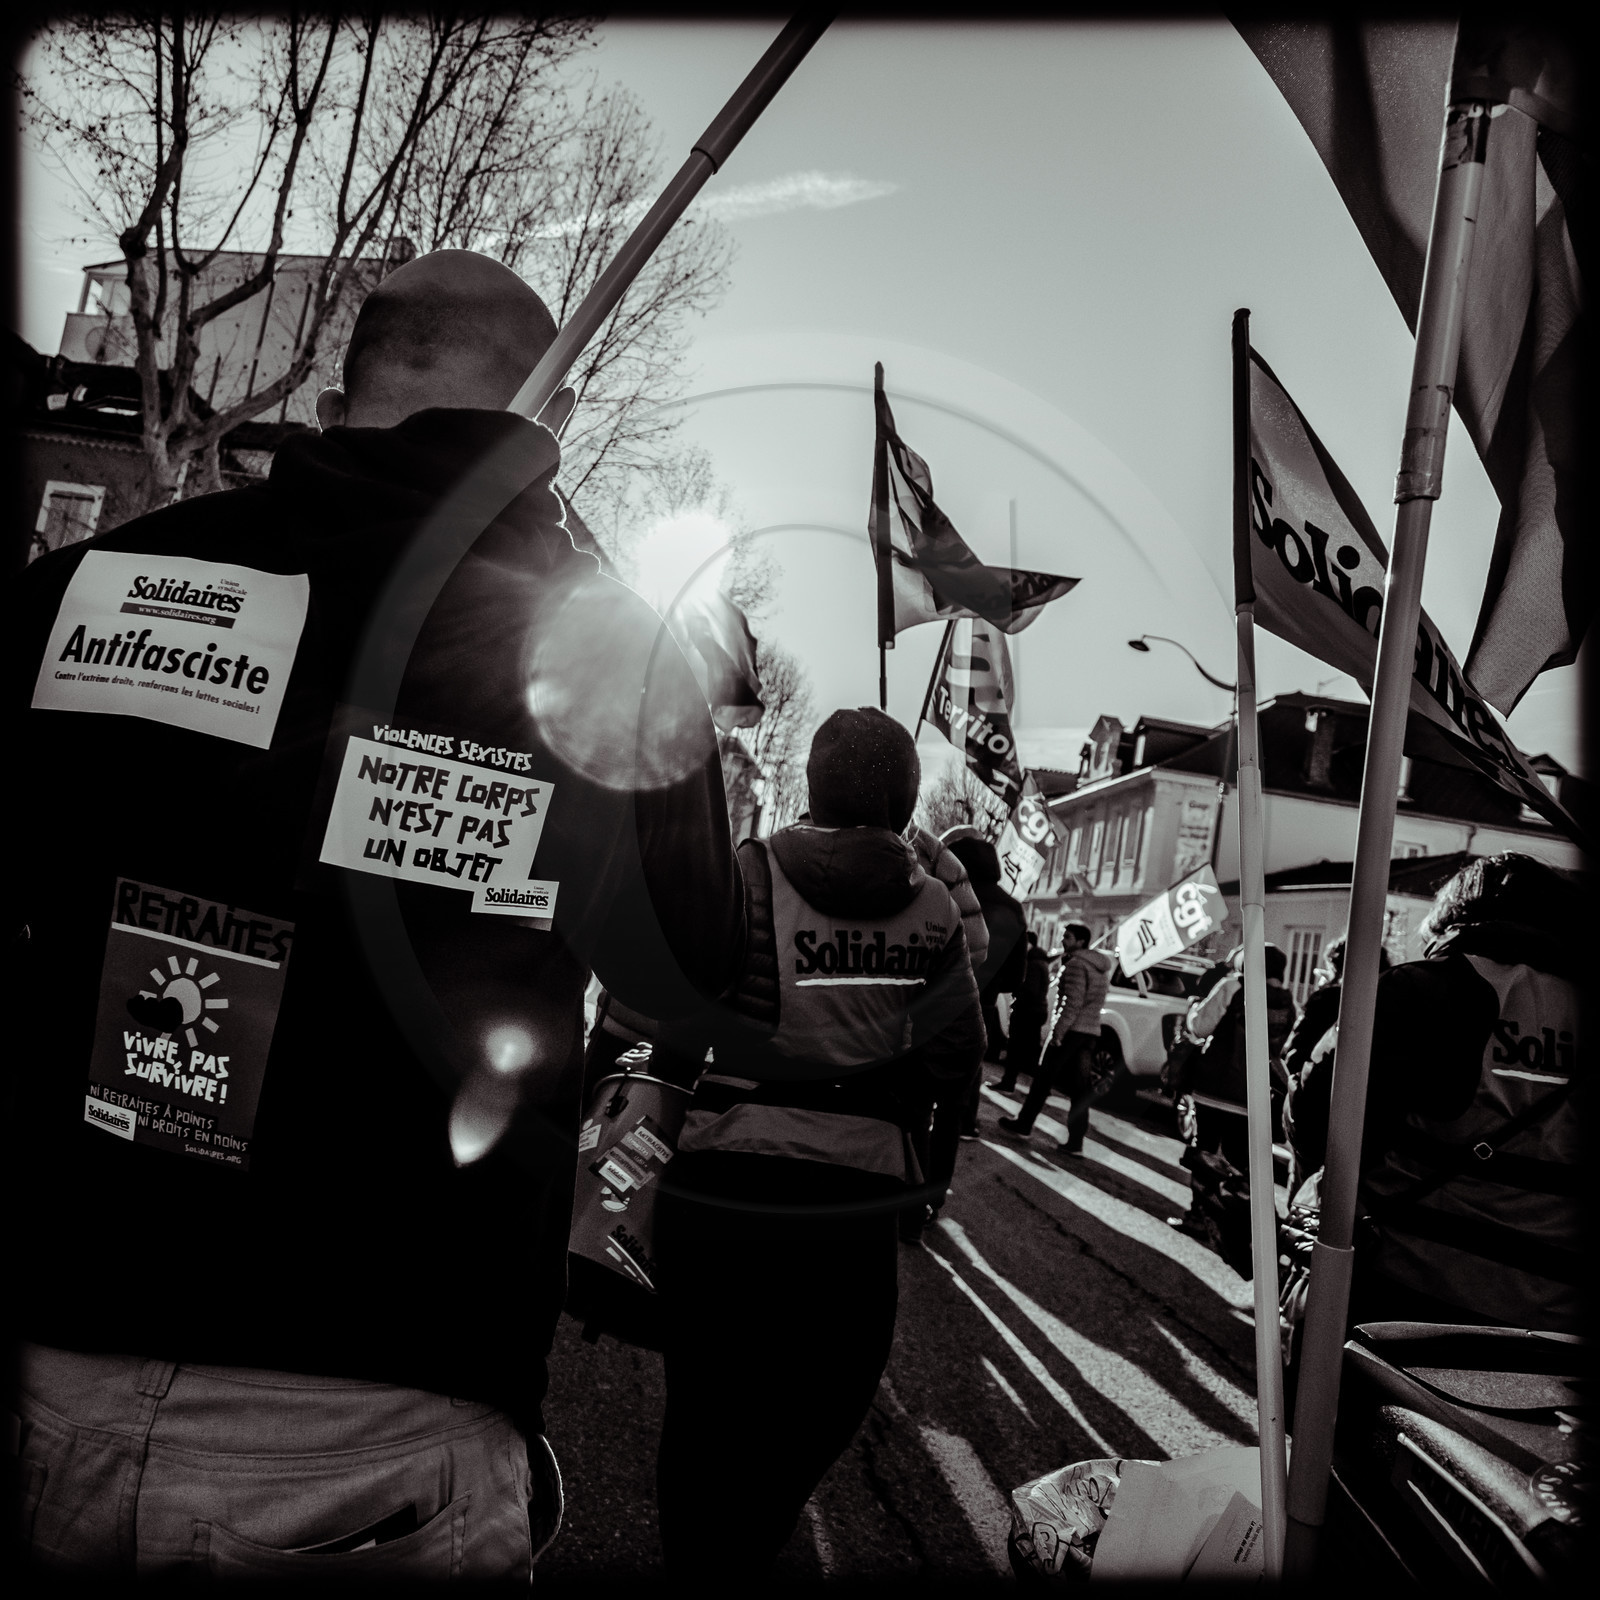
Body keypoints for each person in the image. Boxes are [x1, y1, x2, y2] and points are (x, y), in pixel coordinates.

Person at [7, 250, 743, 1579]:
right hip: (382, 1412)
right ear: (547, 432)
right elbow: (691, 971)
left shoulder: (103, 587)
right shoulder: (601, 665)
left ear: (341, 395)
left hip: (54, 1363)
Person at [651, 708, 985, 1579]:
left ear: (810, 785)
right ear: (909, 802)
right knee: (819, 1409)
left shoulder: (746, 873)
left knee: (701, 1409)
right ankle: (748, 1542)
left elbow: (675, 1027)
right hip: (850, 1212)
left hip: (718, 1187)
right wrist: (931, 1188)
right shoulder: (937, 912)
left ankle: (696, 1559)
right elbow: (958, 1064)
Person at [1288, 853, 1583, 1333]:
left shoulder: (1426, 990)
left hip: (1401, 1288)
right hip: (1552, 1323)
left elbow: (1315, 1117)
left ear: (1453, 914)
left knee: (1327, 1406)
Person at [1167, 944, 1298, 1271]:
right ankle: (1249, 1225)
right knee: (1242, 1162)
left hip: (1216, 1088)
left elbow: (1200, 1028)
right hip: (1254, 1095)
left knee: (1204, 1152)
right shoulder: (1286, 1001)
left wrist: (1194, 1006)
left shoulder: (1233, 985)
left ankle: (1200, 1217)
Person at [926, 828, 1026, 1188]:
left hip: (930, 1009)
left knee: (918, 1106)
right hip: (977, 1012)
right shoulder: (1013, 907)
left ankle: (903, 1199)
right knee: (952, 1112)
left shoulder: (938, 891)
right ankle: (933, 1197)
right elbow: (1017, 978)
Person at [1279, 934, 1389, 1195]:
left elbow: (1294, 1054)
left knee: (1305, 1196)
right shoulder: (1390, 999)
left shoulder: (1326, 999)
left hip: (1317, 1114)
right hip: (1371, 1121)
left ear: (1335, 966)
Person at [998, 922, 1113, 1154]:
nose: (1063, 940)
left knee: (1042, 1080)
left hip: (1071, 1032)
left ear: (1081, 942)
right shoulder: (1100, 967)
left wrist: (1058, 1033)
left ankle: (1024, 1124)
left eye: (1068, 937)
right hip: (1090, 1032)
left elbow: (1071, 1003)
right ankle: (1076, 1142)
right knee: (1080, 1089)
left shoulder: (1076, 965)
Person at [998, 932, 1052, 1095]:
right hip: (1036, 1010)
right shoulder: (1040, 961)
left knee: (1016, 1049)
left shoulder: (1032, 963)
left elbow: (1031, 989)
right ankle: (1040, 1087)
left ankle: (1009, 1082)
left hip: (1027, 1011)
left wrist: (1016, 990)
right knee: (1031, 1051)